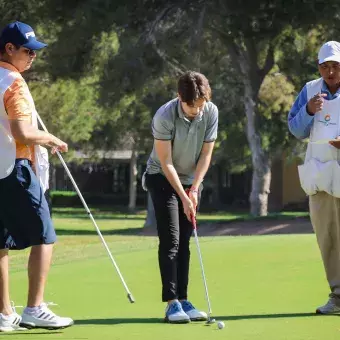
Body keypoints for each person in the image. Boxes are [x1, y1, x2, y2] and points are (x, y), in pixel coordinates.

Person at [0, 21, 73, 331]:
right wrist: (51, 138)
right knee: (45, 235)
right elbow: (21, 132)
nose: (33, 57)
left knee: (1, 242)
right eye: (28, 51)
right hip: (14, 167)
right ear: (9, 49)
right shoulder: (13, 82)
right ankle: (34, 308)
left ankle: (4, 314)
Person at [143, 71, 218, 323]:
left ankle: (184, 299)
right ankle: (172, 303)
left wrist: (194, 190)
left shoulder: (210, 112)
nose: (196, 111)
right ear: (179, 97)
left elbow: (206, 155)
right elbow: (165, 162)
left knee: (185, 240)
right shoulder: (164, 116)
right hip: (162, 177)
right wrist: (184, 197)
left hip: (191, 180)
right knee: (171, 239)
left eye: (200, 105)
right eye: (191, 106)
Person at [288, 41, 340, 314]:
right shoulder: (310, 90)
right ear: (318, 67)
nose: (330, 72)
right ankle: (338, 296)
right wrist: (308, 110)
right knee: (328, 238)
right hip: (320, 174)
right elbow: (295, 129)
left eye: (335, 66)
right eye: (325, 66)